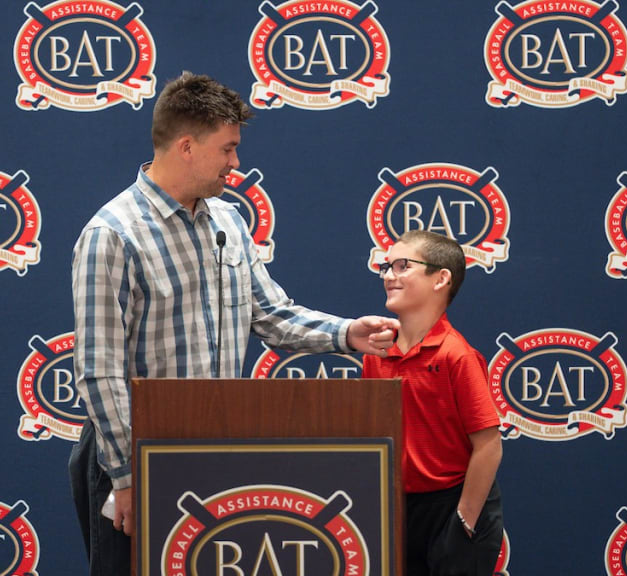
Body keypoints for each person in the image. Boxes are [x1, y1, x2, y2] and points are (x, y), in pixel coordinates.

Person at [69, 71, 400, 576]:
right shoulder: (111, 235)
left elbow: (269, 312)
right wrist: (126, 476)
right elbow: (98, 369)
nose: (236, 163)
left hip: (215, 444)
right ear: (186, 146)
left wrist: (346, 333)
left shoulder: (228, 221)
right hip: (140, 453)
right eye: (227, 149)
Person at [362, 230, 503, 576]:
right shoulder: (376, 353)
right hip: (397, 509)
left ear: (441, 279)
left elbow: (488, 446)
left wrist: (464, 521)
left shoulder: (457, 355)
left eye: (402, 266)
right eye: (386, 266)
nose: (388, 275)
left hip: (451, 506)